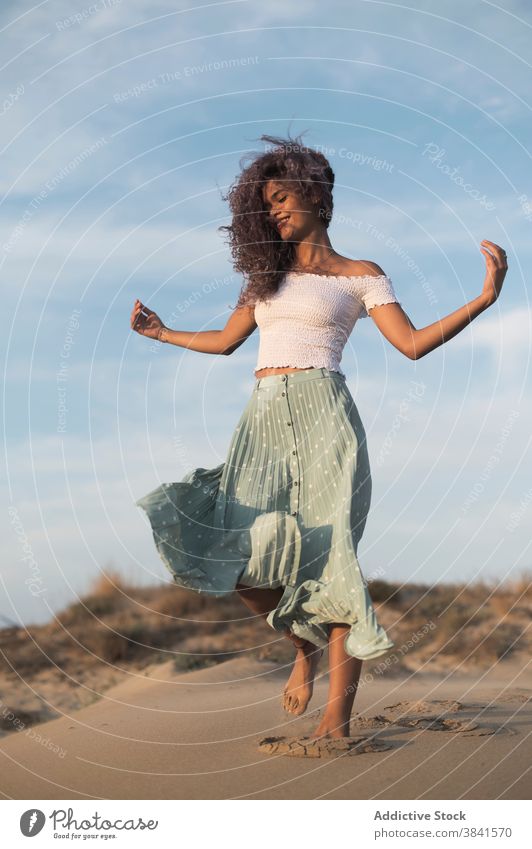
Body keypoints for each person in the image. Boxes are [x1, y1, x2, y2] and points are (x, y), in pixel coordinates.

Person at [130, 132, 507, 740]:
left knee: (333, 561)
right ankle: (297, 645)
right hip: (262, 422)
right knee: (237, 552)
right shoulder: (263, 280)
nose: (274, 210)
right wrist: (163, 333)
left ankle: (337, 718)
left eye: (282, 198)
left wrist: (483, 299)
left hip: (325, 416)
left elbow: (410, 345)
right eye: (265, 204)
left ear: (317, 198)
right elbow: (227, 343)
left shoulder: (361, 275)